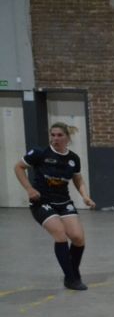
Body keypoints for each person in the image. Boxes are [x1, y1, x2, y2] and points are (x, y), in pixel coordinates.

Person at [14, 122, 95, 290]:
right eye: (53, 135)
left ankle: (72, 271)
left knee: (78, 238)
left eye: (59, 135)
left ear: (67, 138)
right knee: (60, 234)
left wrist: (85, 197)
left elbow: (77, 179)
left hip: (63, 201)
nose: (55, 138)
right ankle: (72, 278)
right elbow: (18, 167)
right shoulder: (39, 153)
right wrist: (29, 189)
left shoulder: (73, 159)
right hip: (41, 202)